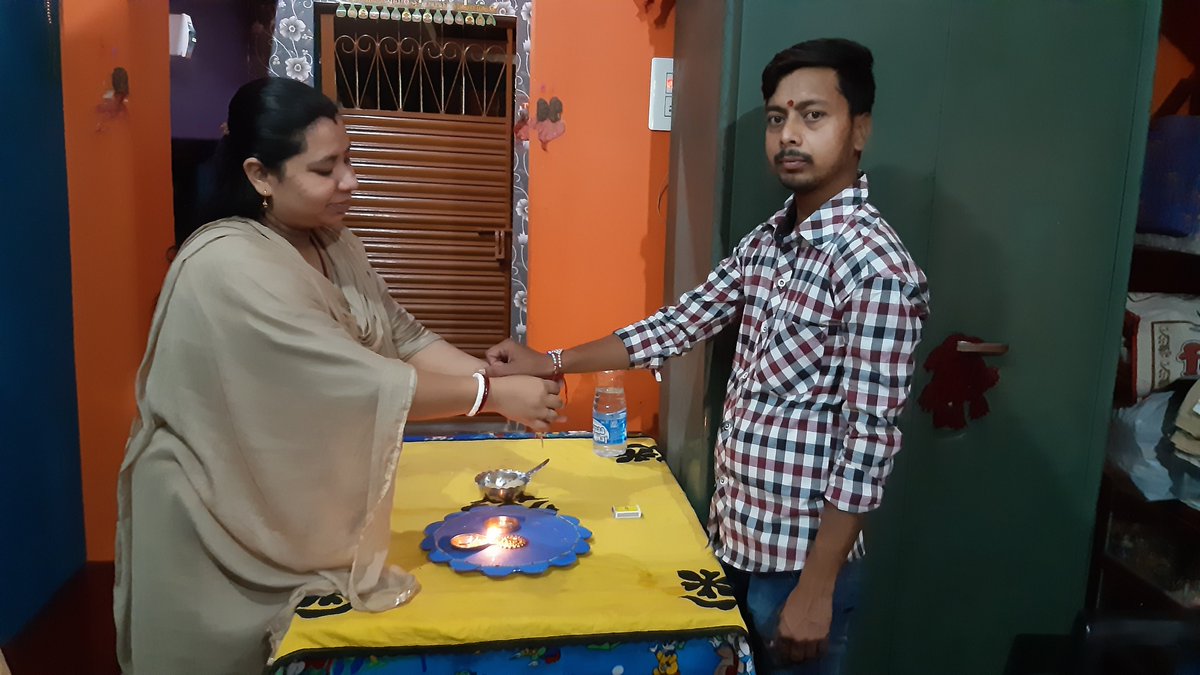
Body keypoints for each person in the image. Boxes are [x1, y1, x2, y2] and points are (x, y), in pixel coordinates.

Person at [486, 38, 929, 674]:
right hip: (735, 545)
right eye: (776, 118)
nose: (788, 134)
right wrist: (547, 360)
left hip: (800, 570)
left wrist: (817, 589)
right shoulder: (769, 242)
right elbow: (678, 324)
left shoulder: (875, 266)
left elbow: (870, 442)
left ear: (859, 130)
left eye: (813, 115)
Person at [114, 77, 564, 674]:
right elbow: (360, 382)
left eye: (348, 160)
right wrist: (493, 394)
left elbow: (401, 334)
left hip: (283, 503)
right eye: (326, 169)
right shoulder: (227, 265)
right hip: (220, 515)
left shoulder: (331, 240)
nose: (350, 181)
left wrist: (494, 375)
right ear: (260, 175)